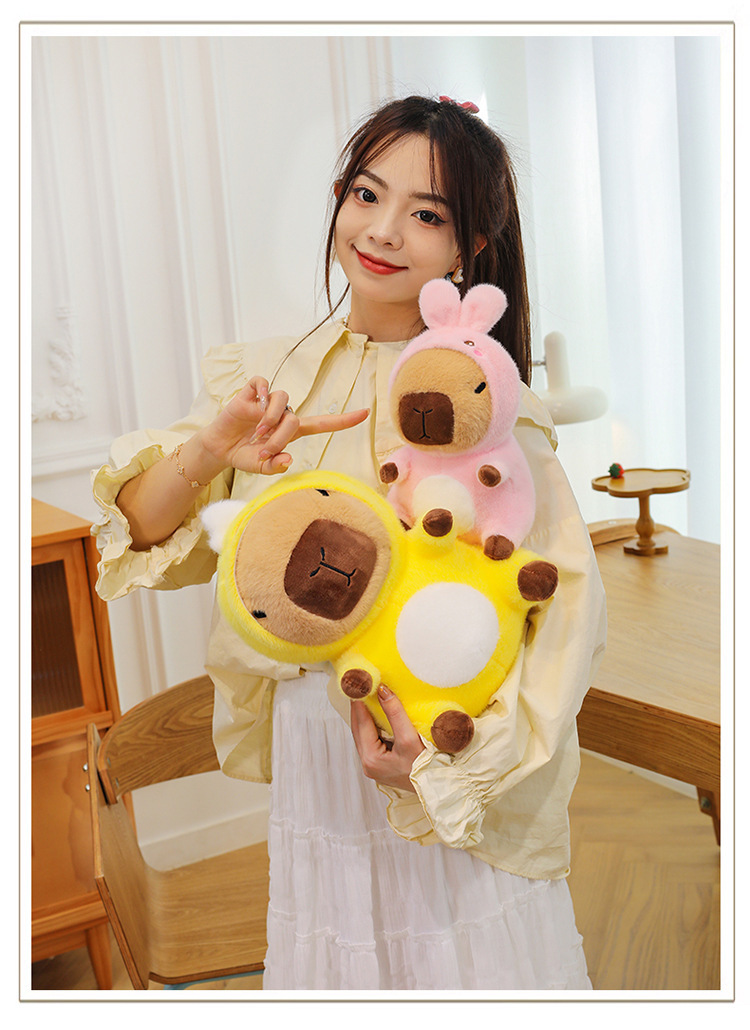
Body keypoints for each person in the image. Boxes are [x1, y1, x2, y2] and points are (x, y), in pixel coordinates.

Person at [92, 94, 607, 991]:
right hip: (316, 750)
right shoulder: (264, 380)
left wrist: (451, 772)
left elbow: (565, 616)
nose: (384, 231)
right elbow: (140, 528)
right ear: (340, 198)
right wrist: (212, 451)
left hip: (430, 748)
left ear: (470, 248)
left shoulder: (478, 404)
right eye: (367, 195)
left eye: (427, 215)